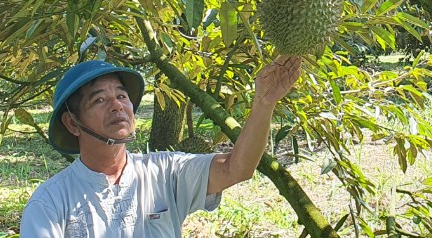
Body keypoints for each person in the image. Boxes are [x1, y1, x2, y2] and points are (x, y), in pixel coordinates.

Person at [19, 55, 302, 237]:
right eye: (99, 100)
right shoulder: (50, 203)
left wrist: (265, 103)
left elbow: (236, 168)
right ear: (72, 124)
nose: (118, 105)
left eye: (121, 95)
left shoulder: (164, 172)